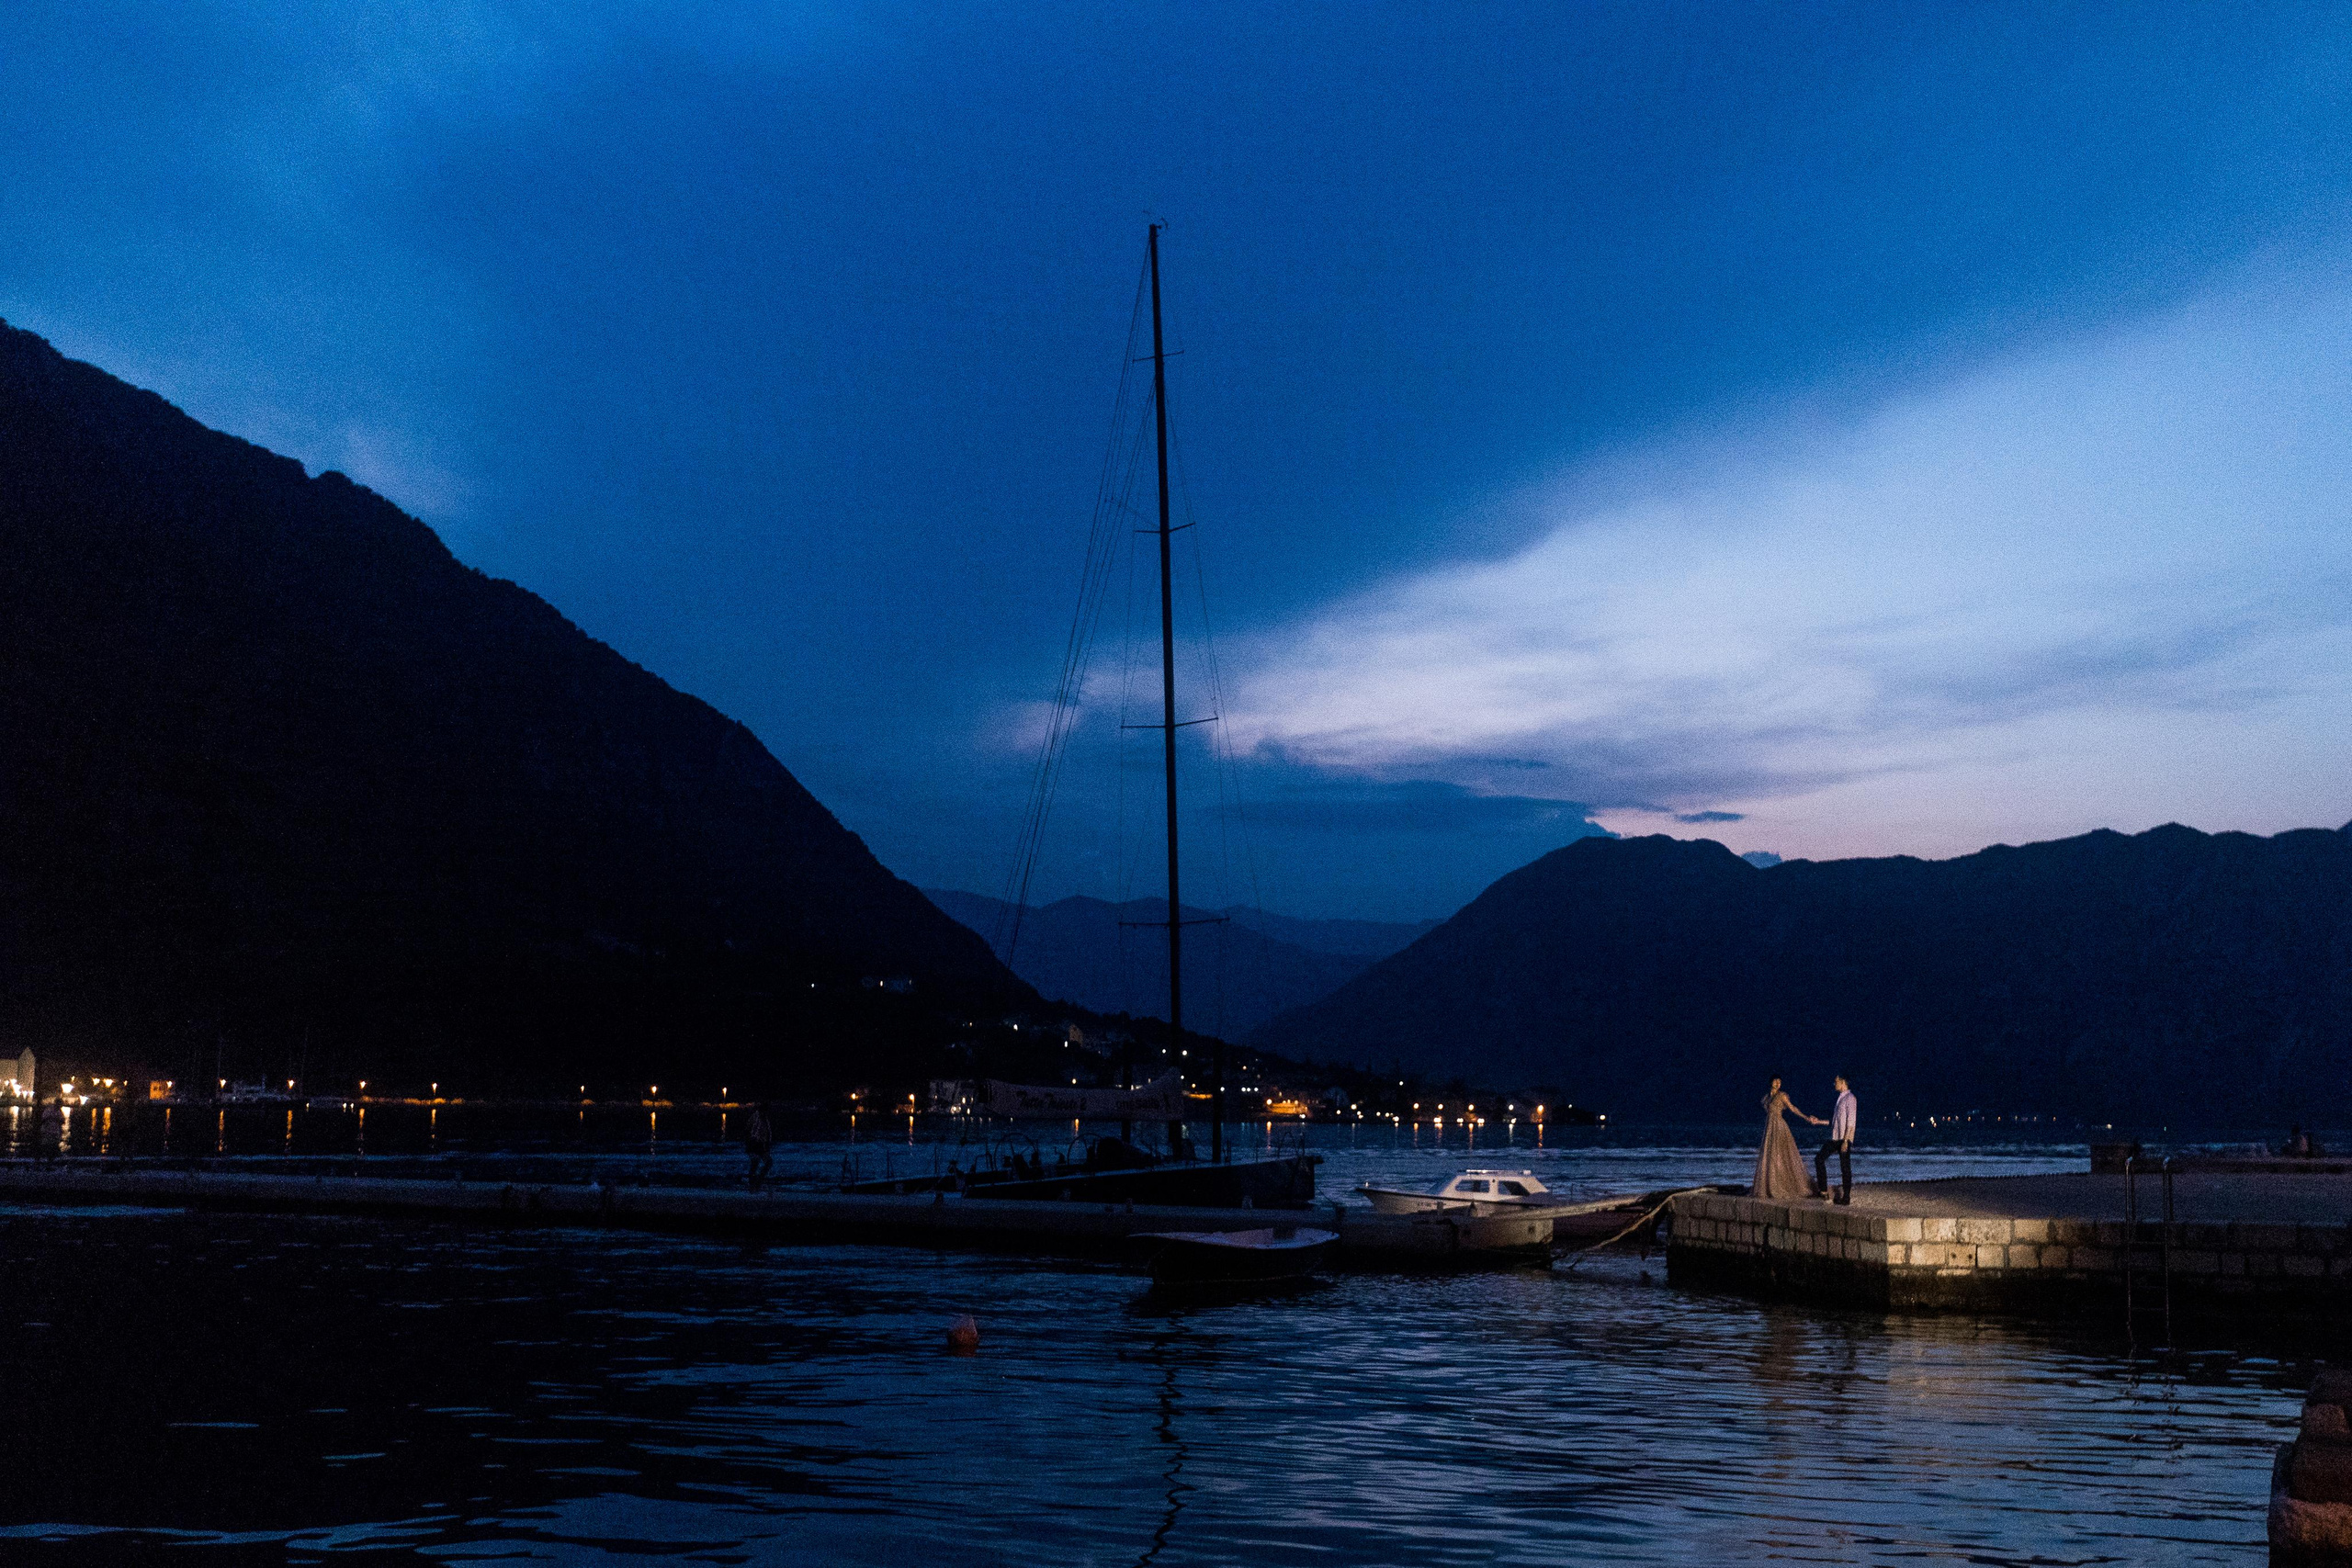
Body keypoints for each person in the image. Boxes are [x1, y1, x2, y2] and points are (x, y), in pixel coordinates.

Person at [1752, 1076, 1822, 1201]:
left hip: (1779, 1126)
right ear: (1771, 1082)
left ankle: (1780, 1185)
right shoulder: (1767, 1098)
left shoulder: (1782, 1096)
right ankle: (1769, 1185)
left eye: (1780, 1082)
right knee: (1770, 1155)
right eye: (1776, 1081)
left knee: (1780, 1154)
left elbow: (1793, 1108)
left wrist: (1806, 1118)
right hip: (1769, 1127)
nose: (1778, 1083)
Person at [1815, 1076, 1859, 1204]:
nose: (1834, 1083)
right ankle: (1823, 1190)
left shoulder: (1850, 1098)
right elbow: (1834, 1122)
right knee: (1819, 1158)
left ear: (1843, 1081)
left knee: (1845, 1167)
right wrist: (1818, 1121)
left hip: (1844, 1139)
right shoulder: (1840, 1098)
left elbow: (1851, 1122)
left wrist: (1845, 1141)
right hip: (1836, 1138)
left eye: (1836, 1081)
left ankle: (1846, 1197)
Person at [743, 1101, 775, 1190]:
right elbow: (748, 1130)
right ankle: (754, 1182)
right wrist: (749, 1142)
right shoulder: (755, 1117)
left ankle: (757, 1181)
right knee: (757, 1163)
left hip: (761, 1144)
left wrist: (767, 1143)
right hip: (755, 1143)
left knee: (766, 1163)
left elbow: (767, 1133)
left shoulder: (764, 1119)